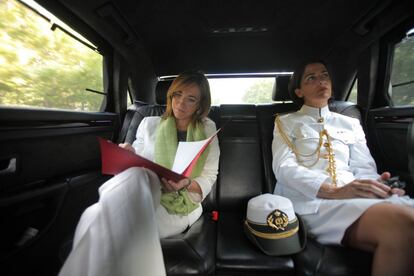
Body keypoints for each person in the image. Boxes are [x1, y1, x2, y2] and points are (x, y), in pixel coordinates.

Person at [59, 71, 220, 276]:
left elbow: (209, 176)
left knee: (114, 224)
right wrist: (129, 153)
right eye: (177, 95)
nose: (181, 103)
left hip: (182, 202)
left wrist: (186, 183)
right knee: (134, 179)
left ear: (200, 104)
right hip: (146, 187)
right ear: (170, 95)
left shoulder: (208, 129)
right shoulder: (149, 123)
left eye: (191, 99)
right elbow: (140, 161)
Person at [272, 59, 414, 276]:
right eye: (311, 78)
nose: (321, 81)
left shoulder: (350, 123)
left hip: (353, 195)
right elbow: (284, 167)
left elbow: (364, 167)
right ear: (299, 91)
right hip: (310, 202)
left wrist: (378, 187)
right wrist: (332, 191)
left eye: (325, 75)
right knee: (402, 225)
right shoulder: (285, 122)